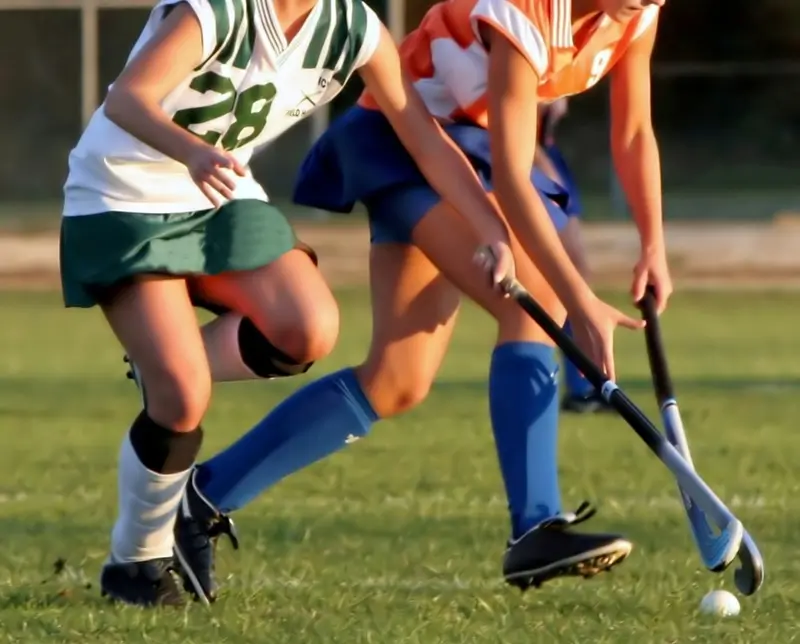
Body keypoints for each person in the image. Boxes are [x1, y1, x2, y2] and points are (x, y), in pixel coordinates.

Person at [138, 0, 675, 605]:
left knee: (397, 381)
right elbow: (515, 170)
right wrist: (579, 300)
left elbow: (633, 131)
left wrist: (653, 244)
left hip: (461, 158)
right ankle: (535, 526)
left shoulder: (637, 15)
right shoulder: (524, 14)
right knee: (537, 303)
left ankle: (202, 497)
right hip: (406, 146)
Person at [60, 0, 527, 608]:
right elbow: (126, 99)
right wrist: (194, 151)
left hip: (218, 198)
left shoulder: (355, 27)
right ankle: (136, 562)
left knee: (308, 328)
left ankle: (166, 361)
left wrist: (491, 228)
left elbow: (426, 141)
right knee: (182, 398)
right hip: (122, 195)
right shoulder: (218, 11)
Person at [536, 98, 612, 413]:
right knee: (571, 275)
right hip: (533, 161)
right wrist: (545, 170)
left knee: (575, 274)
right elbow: (513, 121)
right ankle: (582, 387)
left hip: (547, 159)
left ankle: (586, 385)